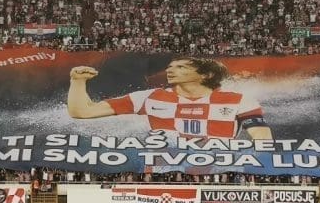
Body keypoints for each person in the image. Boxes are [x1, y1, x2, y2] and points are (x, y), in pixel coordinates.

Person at [67, 57, 272, 141]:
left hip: (219, 173)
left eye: (181, 67)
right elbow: (82, 112)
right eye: (170, 67)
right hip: (163, 173)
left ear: (206, 75)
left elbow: (262, 140)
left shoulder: (239, 100)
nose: (170, 70)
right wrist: (77, 81)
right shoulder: (150, 97)